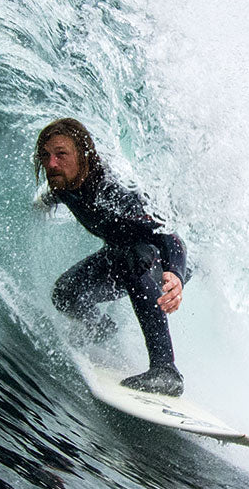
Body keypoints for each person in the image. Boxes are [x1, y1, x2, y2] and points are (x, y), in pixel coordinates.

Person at [33, 118, 189, 396]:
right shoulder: (63, 183)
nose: (52, 164)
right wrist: (42, 202)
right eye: (46, 156)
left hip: (162, 258)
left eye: (61, 154)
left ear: (82, 155)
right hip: (121, 254)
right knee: (64, 294)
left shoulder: (112, 190)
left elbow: (167, 235)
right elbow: (56, 193)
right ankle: (102, 328)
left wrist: (175, 273)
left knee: (134, 258)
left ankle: (166, 370)